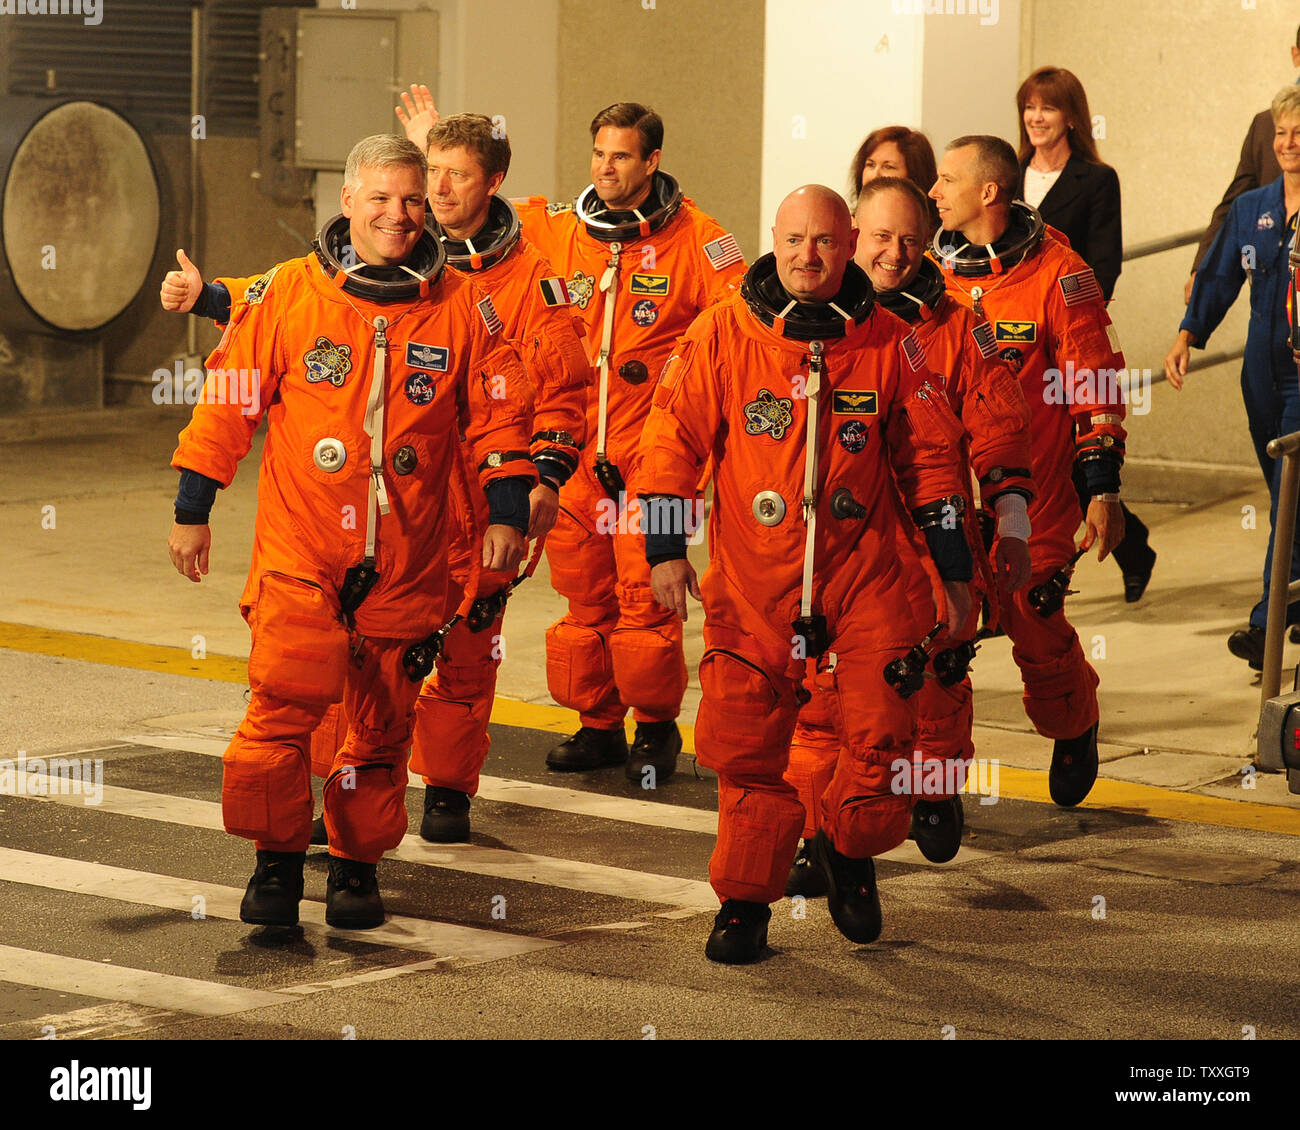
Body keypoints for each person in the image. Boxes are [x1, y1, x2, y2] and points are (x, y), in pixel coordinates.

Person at [163, 111, 590, 845]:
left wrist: (516, 502)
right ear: (349, 204)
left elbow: (511, 409)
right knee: (295, 687)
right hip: (308, 538)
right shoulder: (297, 292)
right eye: (385, 199)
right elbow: (229, 400)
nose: (402, 213)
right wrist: (193, 504)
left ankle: (409, 820)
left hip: (427, 530)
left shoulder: (472, 301)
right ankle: (279, 856)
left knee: (416, 691)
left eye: (416, 197)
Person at [638, 185, 973, 963]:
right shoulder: (724, 331)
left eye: (823, 241)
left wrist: (954, 574)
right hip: (756, 583)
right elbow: (668, 446)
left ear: (850, 242)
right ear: (775, 239)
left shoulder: (892, 340)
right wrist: (663, 550)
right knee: (748, 752)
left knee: (886, 737)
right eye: (793, 240)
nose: (806, 256)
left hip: (869, 578)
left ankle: (848, 850)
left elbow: (933, 464)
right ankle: (743, 907)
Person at [784, 176, 1035, 892]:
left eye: (911, 241)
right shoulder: (802, 327)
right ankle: (816, 832)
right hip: (840, 546)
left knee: (934, 683)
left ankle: (933, 788)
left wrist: (1010, 523)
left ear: (930, 246)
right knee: (822, 700)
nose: (894, 255)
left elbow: (999, 433)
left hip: (934, 539)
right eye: (881, 237)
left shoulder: (959, 328)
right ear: (854, 233)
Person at [512, 101, 746, 781]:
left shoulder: (702, 242)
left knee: (647, 599)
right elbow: (475, 222)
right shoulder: (559, 231)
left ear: (652, 162)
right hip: (575, 454)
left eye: (620, 156)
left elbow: (736, 337)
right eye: (598, 155)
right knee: (585, 600)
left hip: (657, 459)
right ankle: (597, 724)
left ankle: (655, 730)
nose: (605, 168)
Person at [930, 135, 1127, 807]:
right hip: (945, 496)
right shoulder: (927, 275)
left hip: (1036, 496)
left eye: (946, 180)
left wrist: (1103, 490)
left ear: (989, 192)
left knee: (1034, 625)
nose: (934, 193)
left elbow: (1094, 384)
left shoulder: (1059, 274)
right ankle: (936, 787)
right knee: (940, 638)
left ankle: (1074, 725)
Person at [1165, 86, 1300, 671]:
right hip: (1260, 378)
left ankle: (1267, 624)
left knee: (1291, 499)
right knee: (1283, 495)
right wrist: (1188, 335)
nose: (1289, 143)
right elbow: (1220, 277)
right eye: (1282, 133)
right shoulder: (1253, 209)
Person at [1016, 65, 1155, 604]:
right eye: (1029, 107)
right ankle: (1127, 542)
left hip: (1064, 338)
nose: (1036, 117)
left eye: (1047, 107)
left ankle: (1120, 541)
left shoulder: (1097, 179)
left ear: (1071, 116)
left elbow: (1103, 262)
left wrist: (1068, 320)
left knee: (1074, 450)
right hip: (1008, 340)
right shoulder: (1007, 174)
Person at [1186, 28, 1300, 305]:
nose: (1287, 141)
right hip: (1273, 300)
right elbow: (1235, 204)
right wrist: (1202, 268)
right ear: (1296, 56)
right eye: (1282, 133)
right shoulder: (1265, 125)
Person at [849, 125, 940, 230]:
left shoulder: (941, 237)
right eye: (871, 165)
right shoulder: (849, 226)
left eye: (888, 167)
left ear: (914, 176)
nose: (875, 175)